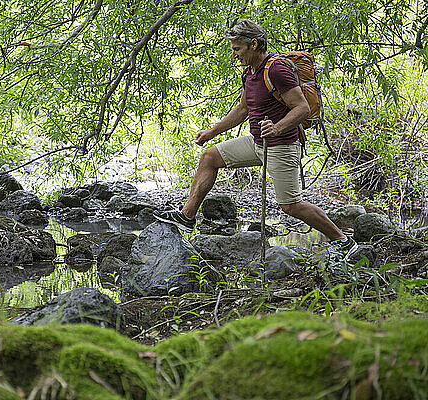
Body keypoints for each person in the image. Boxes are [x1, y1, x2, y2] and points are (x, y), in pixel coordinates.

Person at [153, 19, 358, 259]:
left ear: (253, 44)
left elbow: (301, 108)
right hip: (257, 144)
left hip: (282, 146)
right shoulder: (249, 72)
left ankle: (342, 240)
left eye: (237, 49)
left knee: (290, 205)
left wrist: (278, 127)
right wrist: (212, 132)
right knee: (209, 157)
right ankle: (187, 216)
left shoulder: (277, 70)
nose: (234, 54)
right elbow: (242, 110)